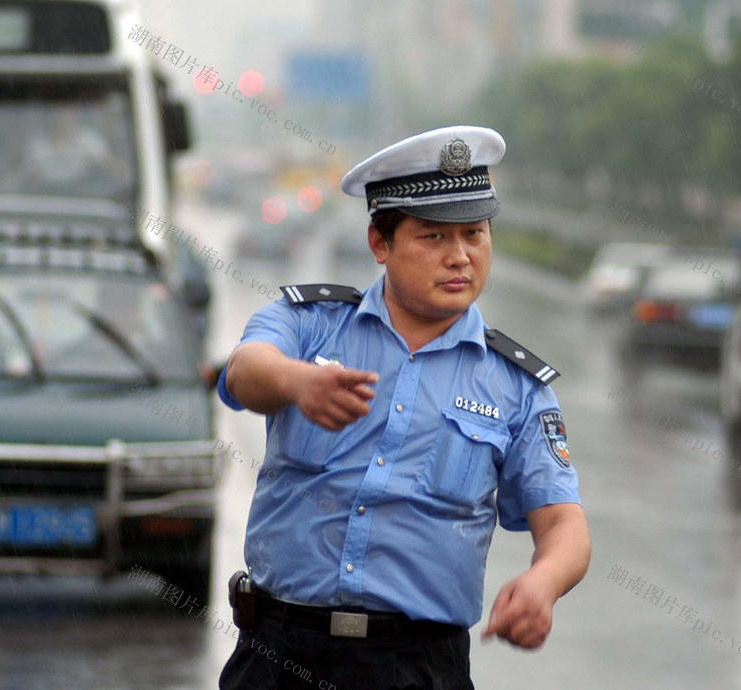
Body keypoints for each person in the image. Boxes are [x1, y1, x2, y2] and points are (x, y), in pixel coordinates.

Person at [217, 125, 591, 690]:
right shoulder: (310, 325)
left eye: (474, 233)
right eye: (434, 237)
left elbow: (565, 523)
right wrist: (298, 384)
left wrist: (545, 581)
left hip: (416, 669)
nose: (460, 256)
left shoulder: (516, 386)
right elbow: (244, 372)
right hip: (277, 656)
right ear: (379, 242)